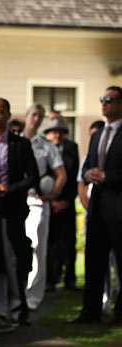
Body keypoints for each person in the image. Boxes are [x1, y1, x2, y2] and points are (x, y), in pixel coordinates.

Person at [67, 86, 122, 325]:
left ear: (120, 104)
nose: (103, 104)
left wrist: (108, 177)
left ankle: (120, 312)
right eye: (102, 99)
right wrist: (89, 173)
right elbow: (89, 162)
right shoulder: (98, 135)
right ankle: (90, 311)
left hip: (119, 208)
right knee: (94, 261)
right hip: (98, 208)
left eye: (108, 100)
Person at [0, 98, 39, 328]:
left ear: (8, 116)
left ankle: (19, 307)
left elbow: (33, 176)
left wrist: (11, 189)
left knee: (15, 260)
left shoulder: (21, 144)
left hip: (13, 210)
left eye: (1, 112)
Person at [21, 104, 66, 313]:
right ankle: (18, 293)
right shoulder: (16, 141)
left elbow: (62, 175)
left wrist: (52, 194)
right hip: (17, 201)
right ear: (27, 116)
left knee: (38, 249)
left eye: (41, 116)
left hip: (38, 203)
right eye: (34, 115)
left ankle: (33, 295)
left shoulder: (46, 146)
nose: (36, 119)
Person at [44, 117, 80, 292]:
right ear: (48, 134)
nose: (57, 135)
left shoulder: (72, 150)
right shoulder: (43, 150)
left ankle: (70, 279)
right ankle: (50, 279)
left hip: (67, 204)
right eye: (54, 131)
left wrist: (66, 201)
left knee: (69, 243)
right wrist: (51, 201)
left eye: (60, 132)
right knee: (50, 244)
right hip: (48, 203)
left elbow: (74, 179)